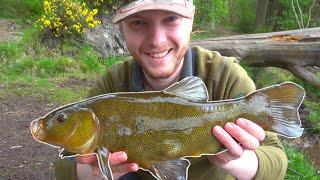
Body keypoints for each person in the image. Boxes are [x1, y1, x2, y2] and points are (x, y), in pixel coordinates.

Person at [55, 0, 288, 179]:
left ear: (191, 19)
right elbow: (64, 168)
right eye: (138, 22)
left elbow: (276, 162)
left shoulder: (226, 78)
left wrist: (232, 160)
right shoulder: (111, 86)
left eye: (170, 18)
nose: (156, 40)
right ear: (121, 28)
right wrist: (96, 173)